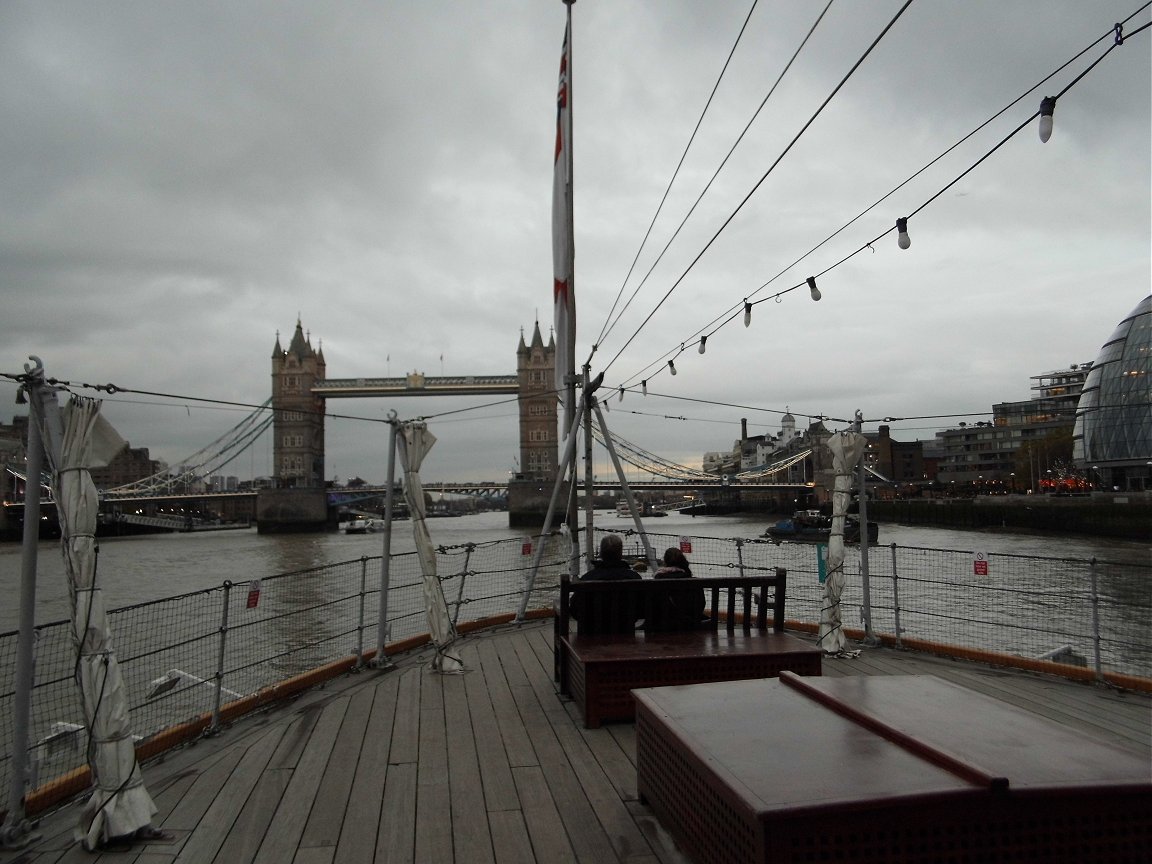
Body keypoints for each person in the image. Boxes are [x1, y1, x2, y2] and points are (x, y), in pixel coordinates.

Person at [573, 534, 641, 634]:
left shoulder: (588, 578)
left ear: (601, 553)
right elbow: (641, 608)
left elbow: (575, 609)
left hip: (592, 633)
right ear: (621, 553)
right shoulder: (634, 578)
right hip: (624, 630)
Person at [648, 546, 706, 632]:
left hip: (663, 628)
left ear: (665, 561)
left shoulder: (657, 582)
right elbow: (701, 605)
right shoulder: (694, 582)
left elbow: (652, 609)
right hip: (689, 628)